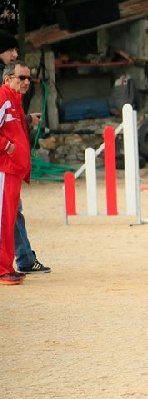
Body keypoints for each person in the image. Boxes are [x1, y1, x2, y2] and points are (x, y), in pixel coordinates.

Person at [0, 30, 50, 274]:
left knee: (12, 211)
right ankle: (21, 260)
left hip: (11, 165)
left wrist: (25, 118)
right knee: (7, 213)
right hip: (4, 164)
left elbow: (9, 114)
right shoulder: (3, 89)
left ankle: (23, 258)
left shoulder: (11, 92)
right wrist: (5, 145)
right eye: (11, 49)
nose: (15, 53)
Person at [0, 62, 32, 285]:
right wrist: (5, 145)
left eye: (29, 78)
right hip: (4, 167)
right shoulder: (3, 98)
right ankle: (2, 269)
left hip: (12, 170)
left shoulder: (14, 100)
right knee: (3, 219)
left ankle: (6, 266)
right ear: (7, 79)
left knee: (9, 219)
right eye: (21, 77)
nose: (26, 82)